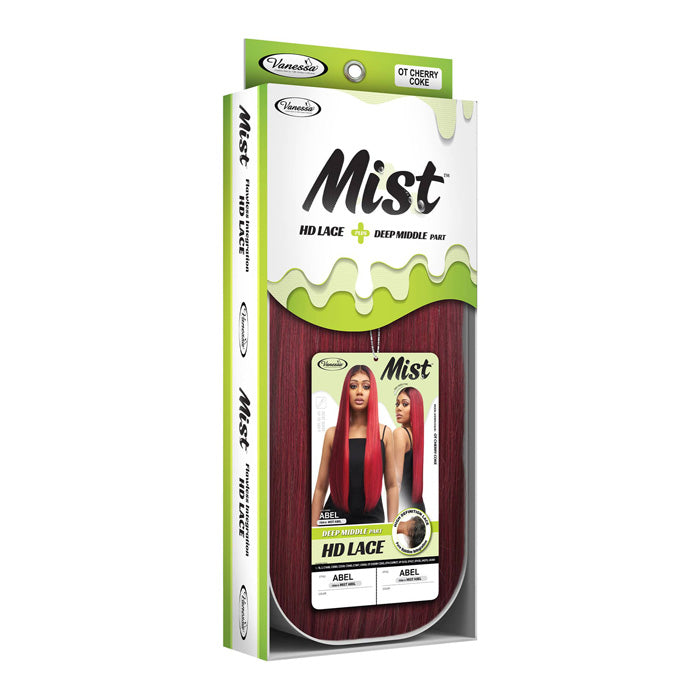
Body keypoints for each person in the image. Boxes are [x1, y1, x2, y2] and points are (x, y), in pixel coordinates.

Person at [311, 365, 397, 526]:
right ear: (346, 391)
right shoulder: (332, 435)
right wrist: (313, 531)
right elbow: (321, 488)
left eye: (366, 386)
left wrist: (393, 530)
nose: (359, 391)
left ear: (372, 392)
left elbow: (391, 486)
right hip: (334, 522)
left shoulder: (385, 434)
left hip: (372, 523)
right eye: (353, 386)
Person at [393, 386, 426, 512]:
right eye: (397, 404)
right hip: (417, 506)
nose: (398, 408)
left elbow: (396, 482)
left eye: (405, 404)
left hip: (403, 507)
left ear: (415, 408)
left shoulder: (400, 433)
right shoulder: (416, 436)